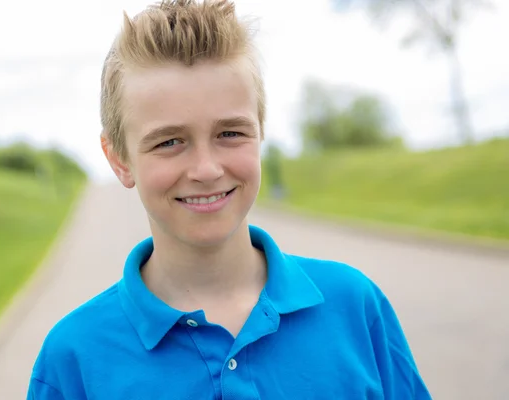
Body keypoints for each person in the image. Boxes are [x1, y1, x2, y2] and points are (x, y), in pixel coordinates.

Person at [27, 0, 432, 398]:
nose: (206, 169)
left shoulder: (354, 306)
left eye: (230, 133)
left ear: (260, 130)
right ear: (119, 159)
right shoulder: (73, 360)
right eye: (169, 141)